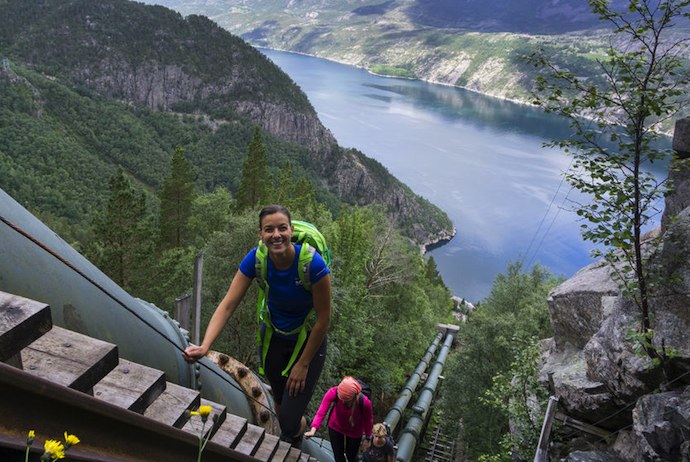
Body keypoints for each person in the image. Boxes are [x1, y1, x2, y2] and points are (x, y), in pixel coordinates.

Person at [183, 204, 332, 448]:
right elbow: (228, 304)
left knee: (288, 421)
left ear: (291, 231)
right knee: (280, 403)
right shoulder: (257, 259)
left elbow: (324, 319)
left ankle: (297, 429)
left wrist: (303, 364)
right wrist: (205, 346)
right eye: (269, 229)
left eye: (282, 228)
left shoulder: (312, 265)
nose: (276, 235)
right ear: (260, 234)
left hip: (308, 344)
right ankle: (289, 431)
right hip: (273, 339)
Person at [304, 376, 373, 462]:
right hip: (335, 426)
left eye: (345, 400)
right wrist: (313, 430)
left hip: (355, 431)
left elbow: (368, 421)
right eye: (341, 398)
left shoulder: (365, 403)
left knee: (351, 456)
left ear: (353, 398)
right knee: (338, 456)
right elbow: (321, 412)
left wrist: (368, 438)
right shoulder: (334, 392)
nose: (342, 401)